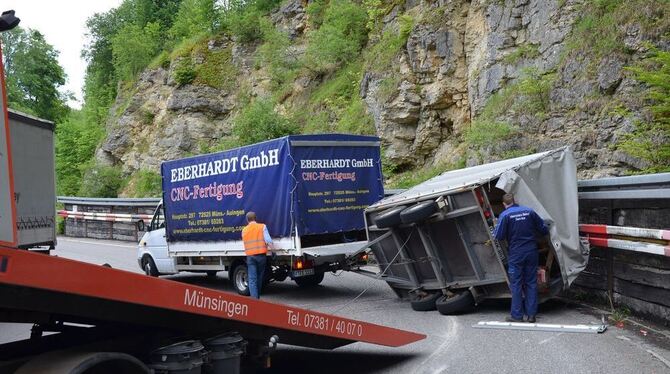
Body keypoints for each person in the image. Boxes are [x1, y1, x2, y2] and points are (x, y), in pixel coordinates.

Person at [494, 193, 549, 323]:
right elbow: (543, 229)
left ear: (504, 204)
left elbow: (499, 236)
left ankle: (517, 316)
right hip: (531, 252)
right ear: (515, 201)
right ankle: (531, 316)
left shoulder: (505, 215)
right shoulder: (529, 211)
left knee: (517, 284)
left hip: (516, 254)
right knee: (531, 283)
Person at [241, 211, 273, 299]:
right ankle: (257, 297)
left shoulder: (244, 230)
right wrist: (273, 251)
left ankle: (255, 300)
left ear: (247, 220)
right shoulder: (262, 227)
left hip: (250, 257)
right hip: (261, 256)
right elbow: (268, 240)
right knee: (259, 277)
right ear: (255, 218)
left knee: (252, 279)